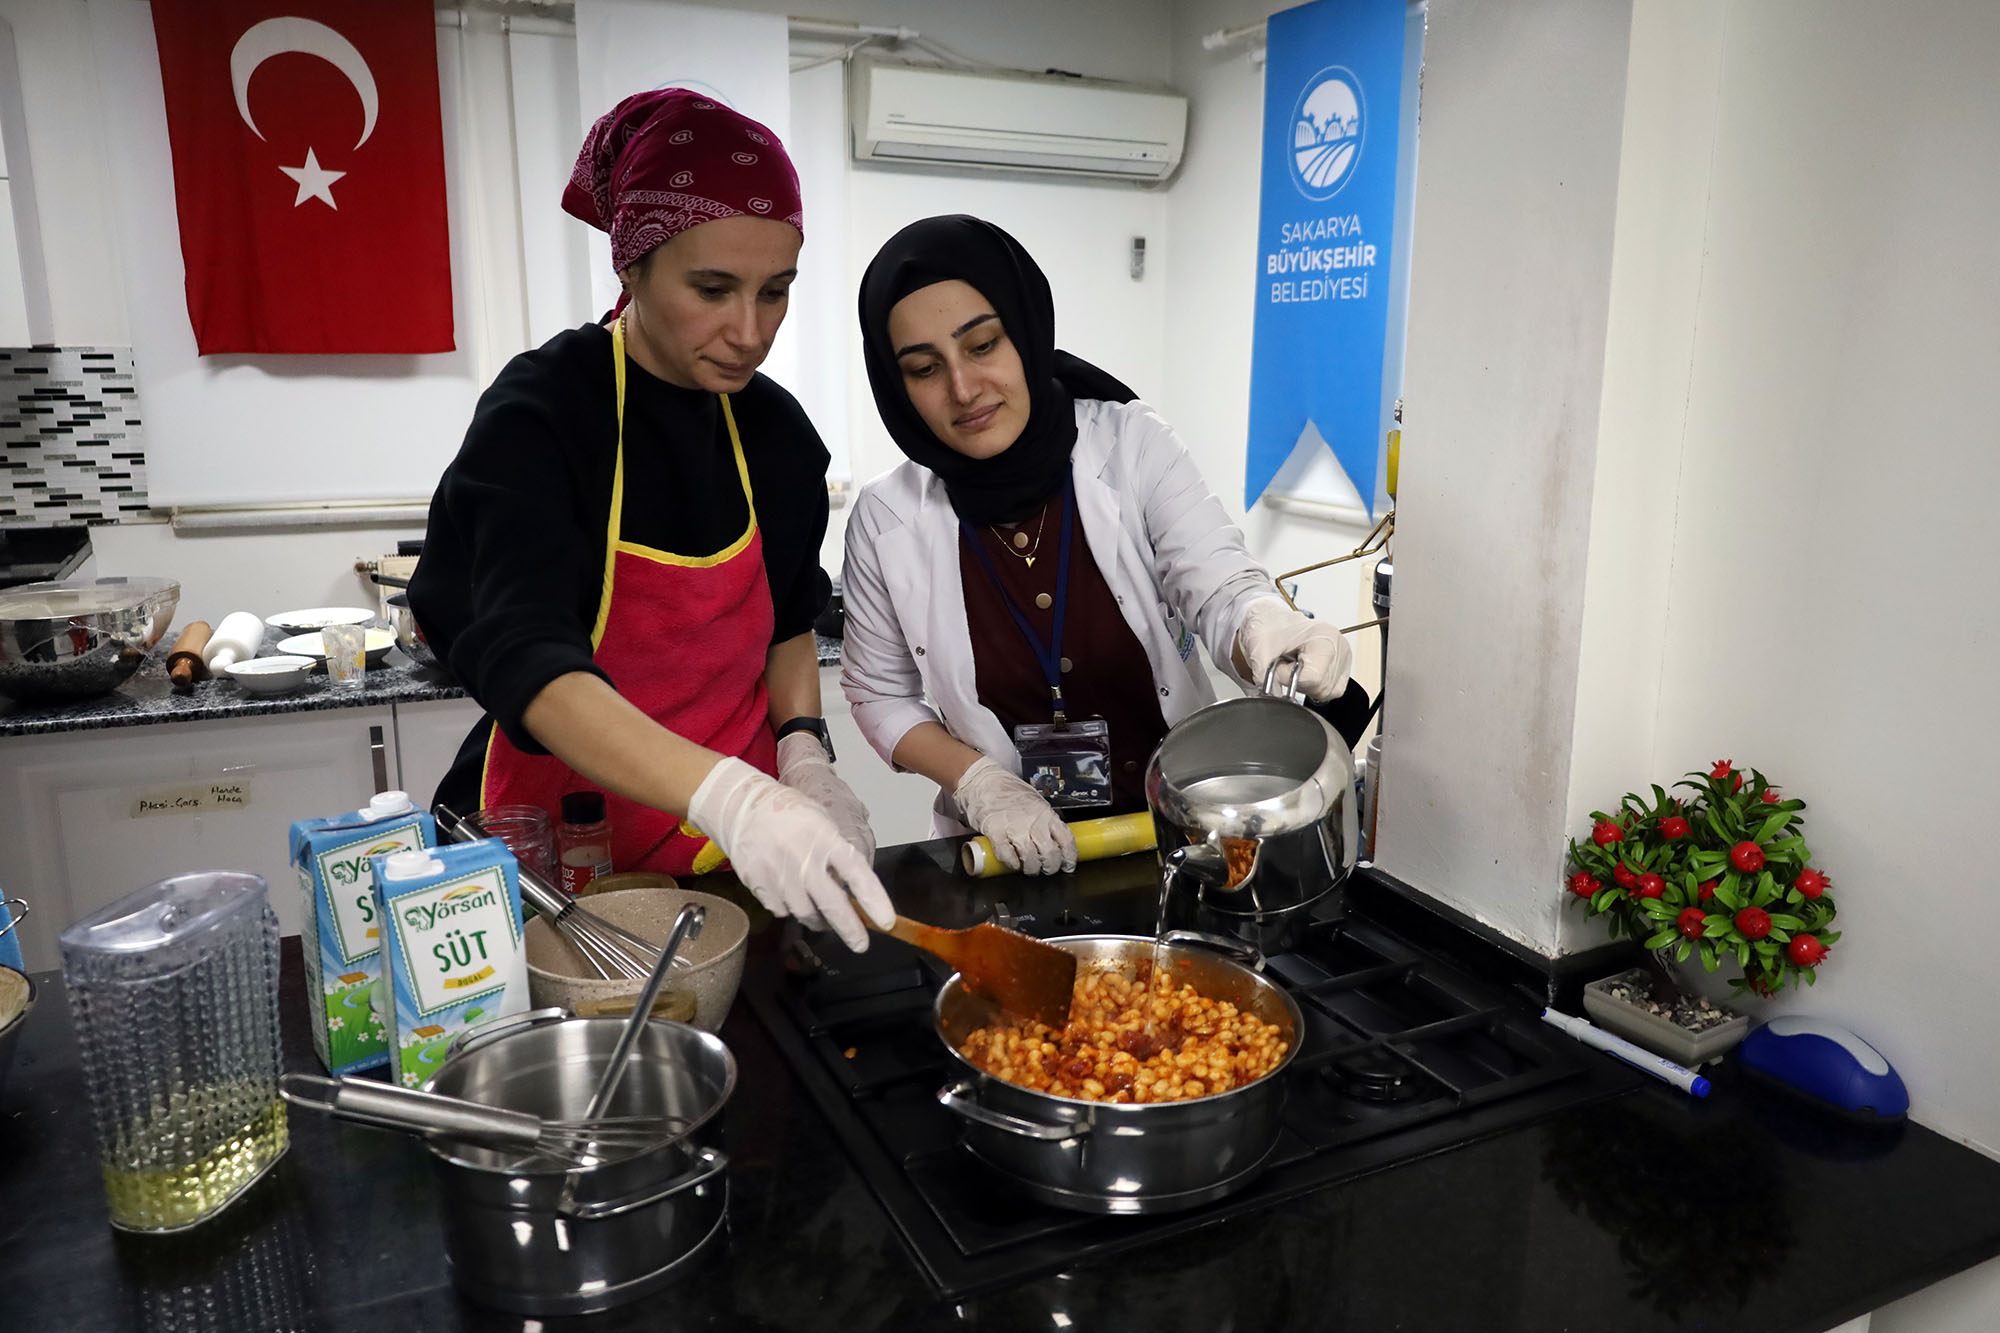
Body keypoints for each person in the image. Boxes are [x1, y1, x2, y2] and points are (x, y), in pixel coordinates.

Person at [411, 90, 892, 950]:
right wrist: (734, 797)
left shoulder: (776, 435)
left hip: (726, 869)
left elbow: (785, 618)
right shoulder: (546, 410)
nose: (749, 331)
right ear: (630, 269)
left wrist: (804, 754)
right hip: (555, 864)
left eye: (775, 292)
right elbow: (530, 660)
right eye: (712, 289)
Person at [840, 214, 1359, 877]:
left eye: (983, 345)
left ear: (1025, 331)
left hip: (1186, 840)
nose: (962, 389)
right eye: (923, 367)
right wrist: (978, 782)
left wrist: (1266, 626)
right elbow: (879, 694)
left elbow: (1218, 585)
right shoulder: (887, 519)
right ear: (895, 383)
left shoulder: (1131, 445)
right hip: (1011, 855)